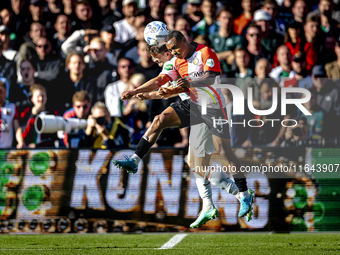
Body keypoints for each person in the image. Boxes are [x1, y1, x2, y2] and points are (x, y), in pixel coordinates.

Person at [113, 30, 254, 221]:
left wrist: (186, 83)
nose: (174, 53)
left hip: (212, 107)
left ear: (184, 42)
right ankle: (136, 159)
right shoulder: (177, 62)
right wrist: (139, 91)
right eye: (170, 50)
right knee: (159, 120)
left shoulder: (204, 52)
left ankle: (243, 194)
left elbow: (211, 77)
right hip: (192, 106)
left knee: (223, 153)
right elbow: (162, 80)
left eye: (175, 49)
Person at [209, 7, 244, 76]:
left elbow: (236, 57)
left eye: (229, 18)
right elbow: (209, 57)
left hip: (233, 74)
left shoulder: (238, 38)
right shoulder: (211, 38)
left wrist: (217, 55)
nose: (227, 21)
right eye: (224, 18)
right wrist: (229, 53)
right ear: (218, 19)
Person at [83, 37, 117, 102]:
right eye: (93, 50)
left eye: (99, 50)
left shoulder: (112, 70)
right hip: (86, 107)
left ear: (106, 49)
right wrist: (84, 53)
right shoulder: (85, 68)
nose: (96, 52)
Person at [0, 81, 25, 148]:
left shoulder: (12, 107)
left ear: (6, 92)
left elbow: (17, 127)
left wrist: (20, 141)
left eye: (1, 91)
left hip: (6, 148)